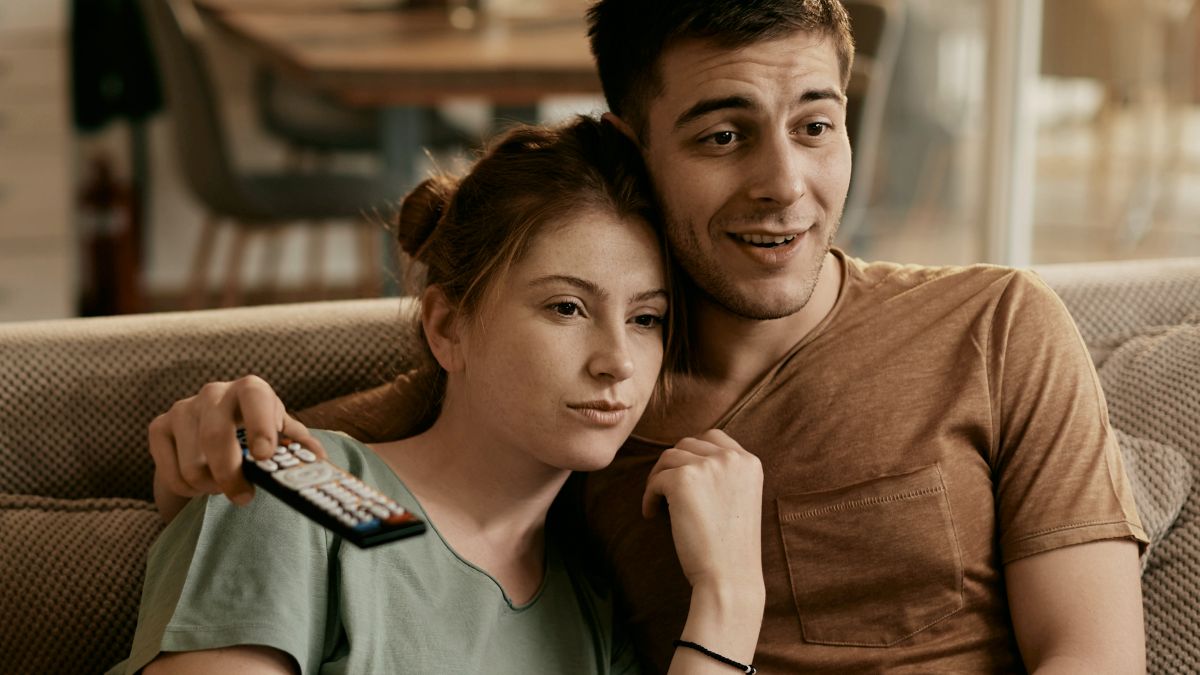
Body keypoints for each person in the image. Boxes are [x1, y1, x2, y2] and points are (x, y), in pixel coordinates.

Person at [147, 1, 1150, 672]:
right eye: (722, 135)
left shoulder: (995, 325)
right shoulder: (582, 419)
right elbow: (364, 460)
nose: (784, 185)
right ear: (636, 148)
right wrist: (216, 437)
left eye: (816, 125)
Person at [110, 116, 767, 674]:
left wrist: (729, 599)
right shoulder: (297, 490)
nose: (617, 361)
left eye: (646, 318)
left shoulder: (590, 616)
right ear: (448, 326)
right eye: (566, 307)